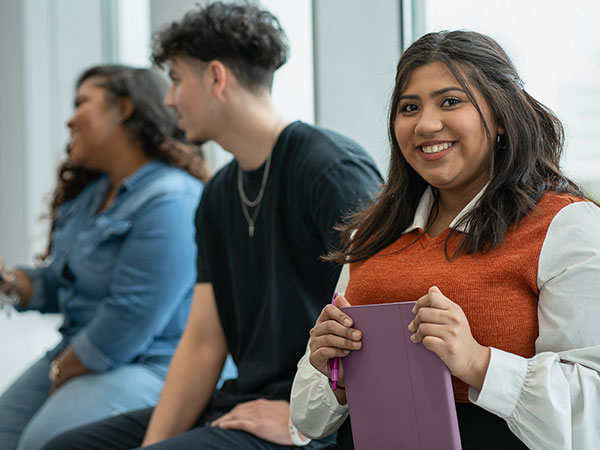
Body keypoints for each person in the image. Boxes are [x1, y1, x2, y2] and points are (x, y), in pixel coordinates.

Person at [41, 3, 382, 450]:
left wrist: (306, 420)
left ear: (216, 78)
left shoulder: (329, 169)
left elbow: (383, 315)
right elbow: (203, 342)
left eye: (177, 79)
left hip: (316, 417)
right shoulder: (217, 194)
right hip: (241, 402)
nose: (168, 99)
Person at [290, 30, 600, 450]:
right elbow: (308, 419)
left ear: (502, 117)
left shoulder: (567, 225)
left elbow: (590, 415)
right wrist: (330, 370)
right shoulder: (372, 234)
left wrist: (477, 362)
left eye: (450, 101)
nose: (426, 123)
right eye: (409, 107)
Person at [0, 64, 207, 450]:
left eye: (81, 103)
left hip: (148, 364)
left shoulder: (172, 199)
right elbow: (59, 284)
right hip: (79, 351)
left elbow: (127, 321)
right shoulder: (94, 195)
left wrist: (62, 371)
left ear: (124, 109)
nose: (69, 118)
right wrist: (10, 283)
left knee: (43, 442)